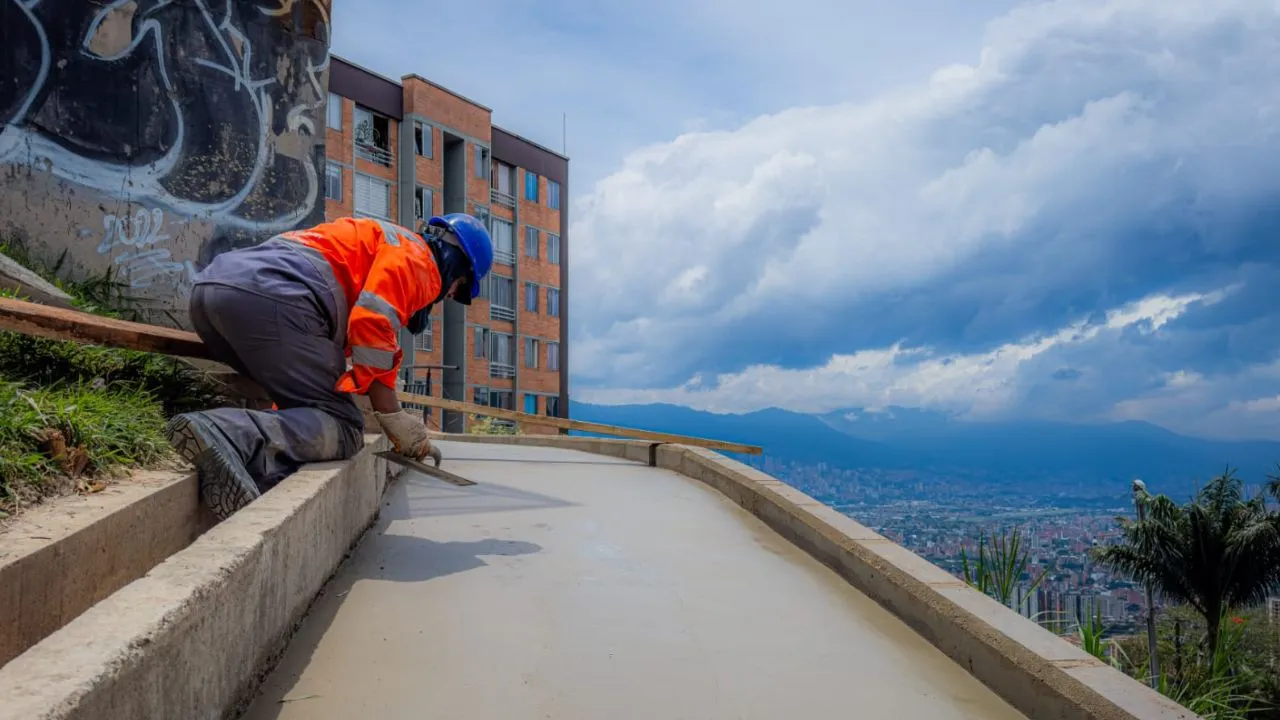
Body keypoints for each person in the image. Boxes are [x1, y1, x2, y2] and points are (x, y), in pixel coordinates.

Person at [164, 213, 493, 520]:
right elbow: (373, 325)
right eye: (459, 286)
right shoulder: (420, 262)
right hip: (274, 299)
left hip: (213, 292)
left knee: (304, 407)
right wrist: (393, 416)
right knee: (344, 425)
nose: (450, 295)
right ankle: (226, 432)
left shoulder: (380, 240)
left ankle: (251, 468)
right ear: (454, 263)